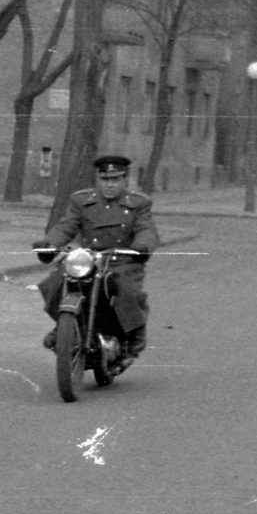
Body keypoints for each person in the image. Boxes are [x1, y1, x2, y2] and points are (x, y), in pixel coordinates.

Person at [33, 155, 160, 371]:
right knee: (54, 283)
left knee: (127, 291)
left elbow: (146, 228)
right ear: (97, 179)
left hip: (122, 260)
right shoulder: (81, 201)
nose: (110, 185)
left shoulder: (138, 203)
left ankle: (134, 338)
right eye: (105, 179)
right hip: (89, 259)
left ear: (125, 180)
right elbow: (66, 226)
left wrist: (142, 245)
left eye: (116, 179)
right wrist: (49, 243)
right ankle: (65, 325)